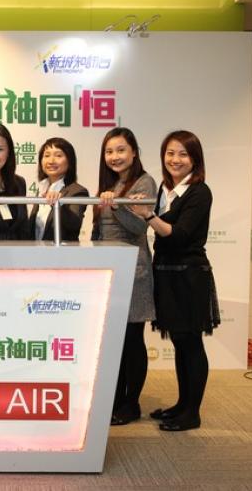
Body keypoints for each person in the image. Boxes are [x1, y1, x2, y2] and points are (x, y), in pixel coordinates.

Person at [130, 129, 221, 431]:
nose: (175, 159)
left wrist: (148, 217)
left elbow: (179, 234)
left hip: (190, 277)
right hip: (166, 274)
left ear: (195, 158)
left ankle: (191, 413)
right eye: (170, 153)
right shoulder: (166, 191)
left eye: (183, 154)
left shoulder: (199, 192)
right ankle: (182, 405)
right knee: (181, 344)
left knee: (191, 344)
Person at [92, 127, 157, 426]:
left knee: (132, 340)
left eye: (120, 150)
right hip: (108, 272)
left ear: (134, 152)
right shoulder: (111, 183)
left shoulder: (144, 181)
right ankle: (115, 399)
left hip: (134, 272)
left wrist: (115, 206)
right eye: (109, 151)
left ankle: (131, 403)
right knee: (111, 342)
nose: (115, 156)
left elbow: (139, 227)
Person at [28, 137, 88, 242]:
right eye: (46, 156)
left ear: (70, 161)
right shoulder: (41, 189)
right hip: (36, 252)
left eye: (58, 155)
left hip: (61, 255)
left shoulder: (78, 191)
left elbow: (74, 225)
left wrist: (57, 205)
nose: (51, 161)